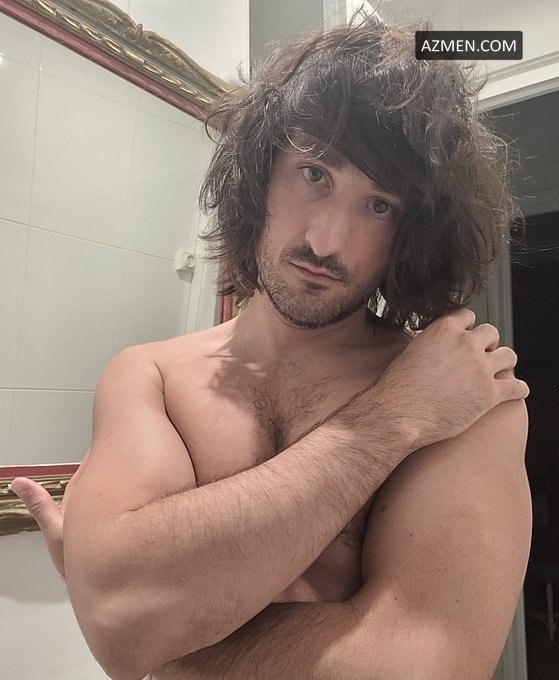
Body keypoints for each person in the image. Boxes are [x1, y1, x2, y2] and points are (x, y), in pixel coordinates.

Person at [12, 14, 531, 680]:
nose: (325, 241)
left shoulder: (468, 399)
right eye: (314, 173)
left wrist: (161, 634)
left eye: (379, 205)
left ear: (414, 231)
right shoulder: (151, 376)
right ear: (258, 176)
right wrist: (391, 419)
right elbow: (122, 618)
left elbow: (426, 664)